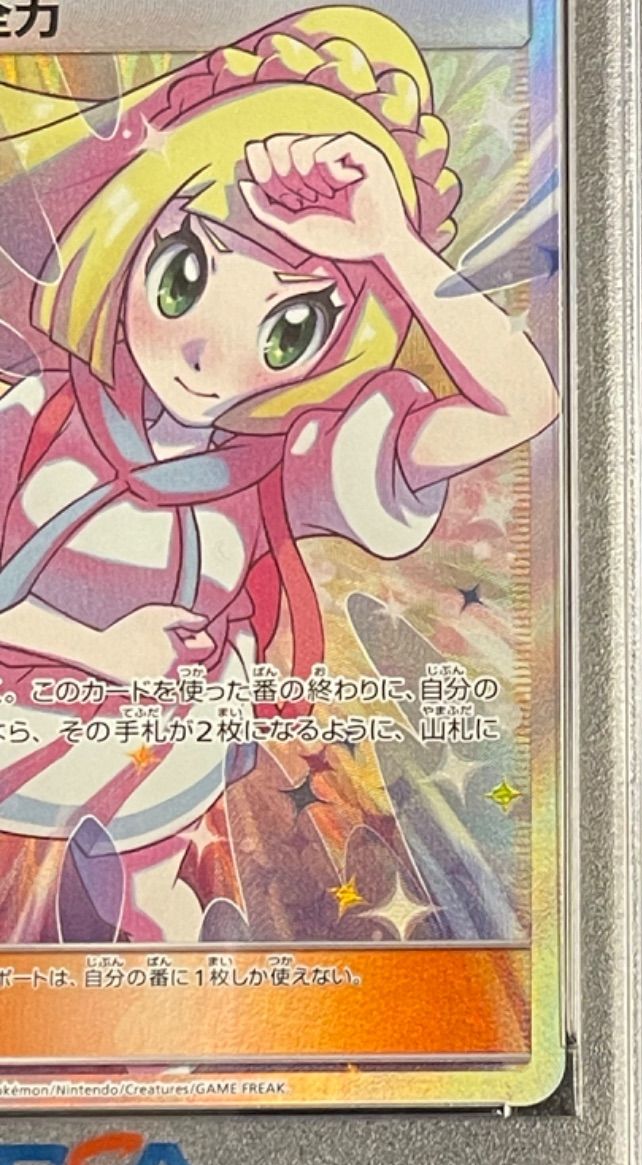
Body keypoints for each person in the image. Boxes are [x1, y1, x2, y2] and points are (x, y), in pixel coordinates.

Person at [0, 6, 559, 941]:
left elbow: (523, 405)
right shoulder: (35, 418)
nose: (204, 354)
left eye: (289, 327)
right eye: (183, 275)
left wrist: (392, 246)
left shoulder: (279, 470)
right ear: (132, 238)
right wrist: (99, 648)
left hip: (158, 808)